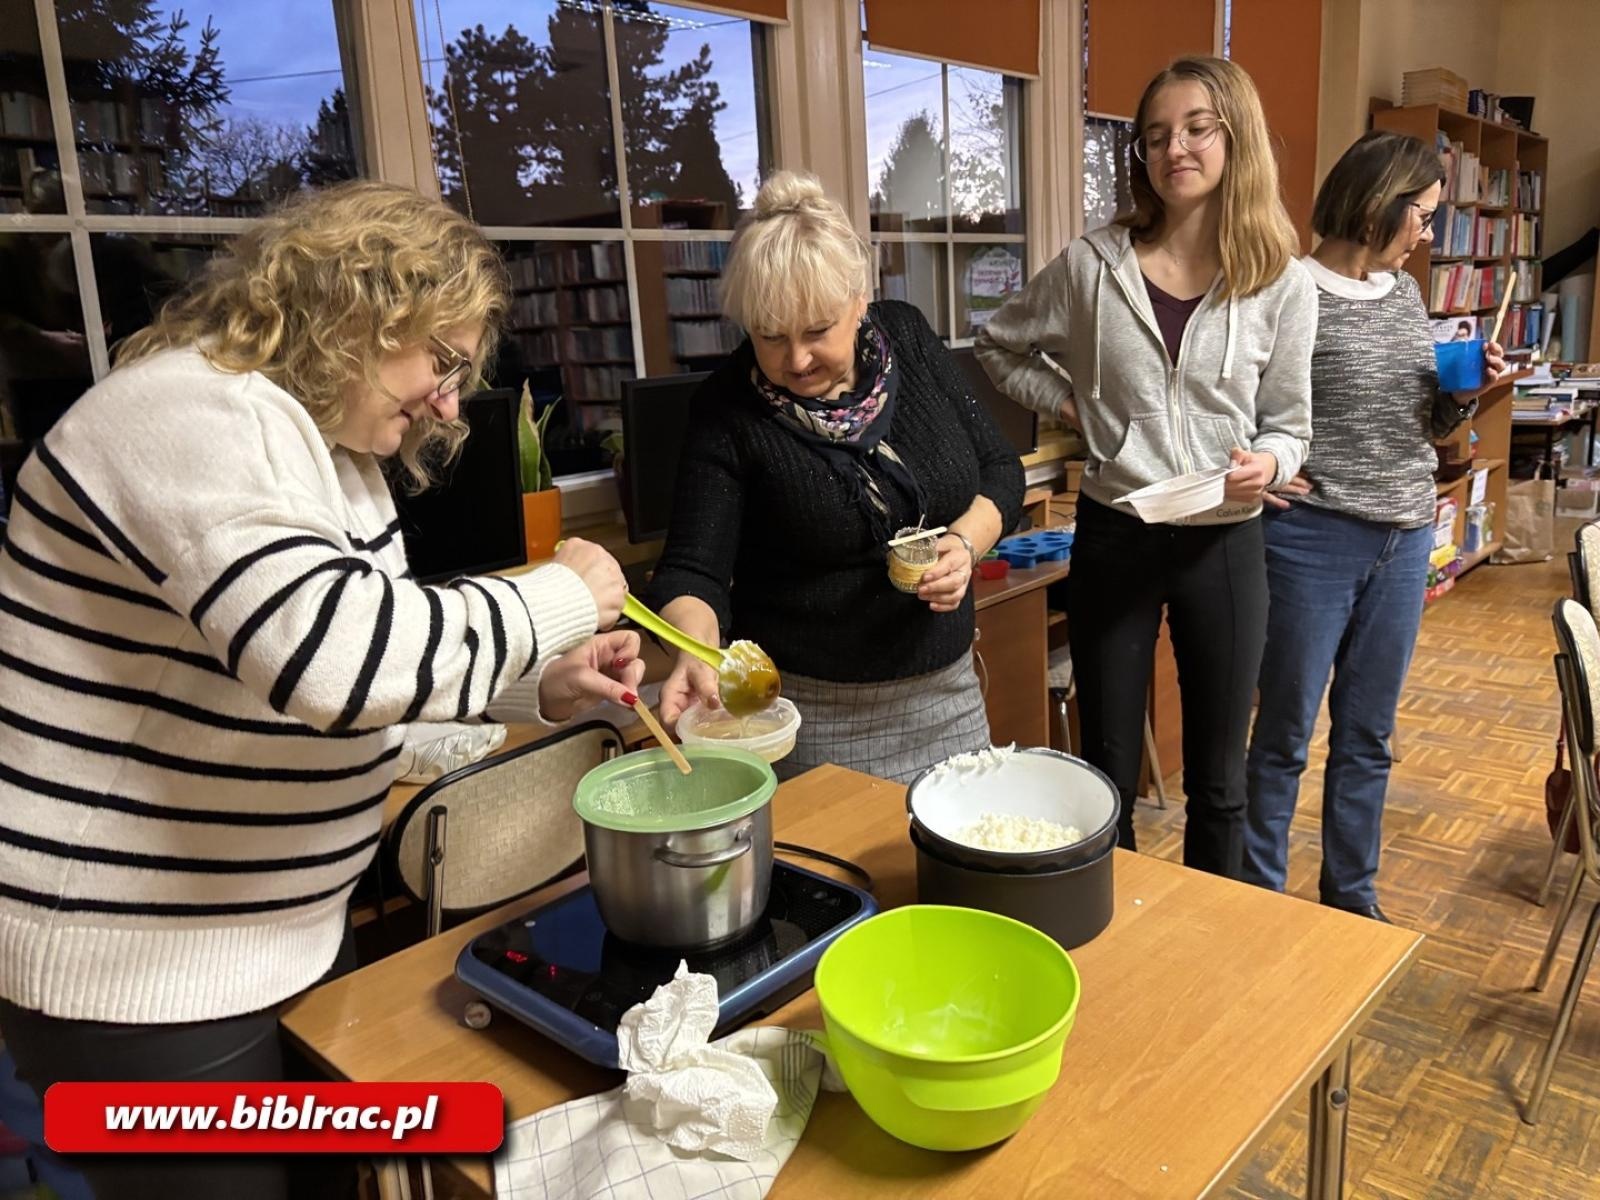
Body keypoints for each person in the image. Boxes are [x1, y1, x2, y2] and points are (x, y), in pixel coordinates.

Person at [0, 180, 642, 1199]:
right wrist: (562, 593)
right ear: (357, 308)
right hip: (146, 971)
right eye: (439, 358)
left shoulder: (329, 454)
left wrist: (536, 687)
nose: (446, 398)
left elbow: (342, 663)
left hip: (271, 936)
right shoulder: (190, 409)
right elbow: (329, 661)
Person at [975, 56, 1317, 876]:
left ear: (1235, 137)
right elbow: (997, 341)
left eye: (1198, 129)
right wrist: (1070, 408)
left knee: (1219, 783)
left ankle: (1210, 949)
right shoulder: (1094, 266)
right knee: (1107, 774)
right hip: (1115, 534)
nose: (1176, 150)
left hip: (1225, 542)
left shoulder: (1281, 281)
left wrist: (1265, 464)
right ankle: (1118, 938)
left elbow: (1292, 426)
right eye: (1157, 136)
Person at [651, 171, 1023, 783]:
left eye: (817, 331)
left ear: (859, 301)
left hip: (948, 696)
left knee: (962, 870)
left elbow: (1000, 470)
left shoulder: (909, 337)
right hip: (812, 718)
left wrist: (963, 545)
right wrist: (695, 651)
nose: (795, 360)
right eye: (770, 336)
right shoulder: (727, 409)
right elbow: (694, 570)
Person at [1242, 131, 1506, 921]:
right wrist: (1267, 471)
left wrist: (1467, 394)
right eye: (1420, 217)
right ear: (1379, 205)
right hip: (1310, 540)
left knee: (1368, 736)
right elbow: (1241, 404)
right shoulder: (1285, 288)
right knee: (1284, 736)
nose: (1427, 236)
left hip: (1403, 537)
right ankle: (1257, 902)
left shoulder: (1404, 295)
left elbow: (1425, 425)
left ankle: (1351, 900)